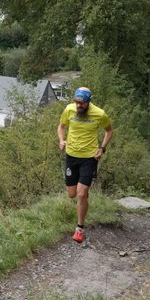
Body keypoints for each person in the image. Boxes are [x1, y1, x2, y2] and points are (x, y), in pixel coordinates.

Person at [57, 87, 113, 243]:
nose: (78, 106)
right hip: (71, 156)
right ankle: (84, 193)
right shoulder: (69, 109)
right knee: (72, 194)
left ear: (88, 102)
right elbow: (61, 126)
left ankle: (79, 229)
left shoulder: (99, 114)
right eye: (76, 102)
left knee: (81, 194)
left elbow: (109, 131)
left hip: (89, 158)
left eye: (81, 103)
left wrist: (102, 148)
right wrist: (62, 140)